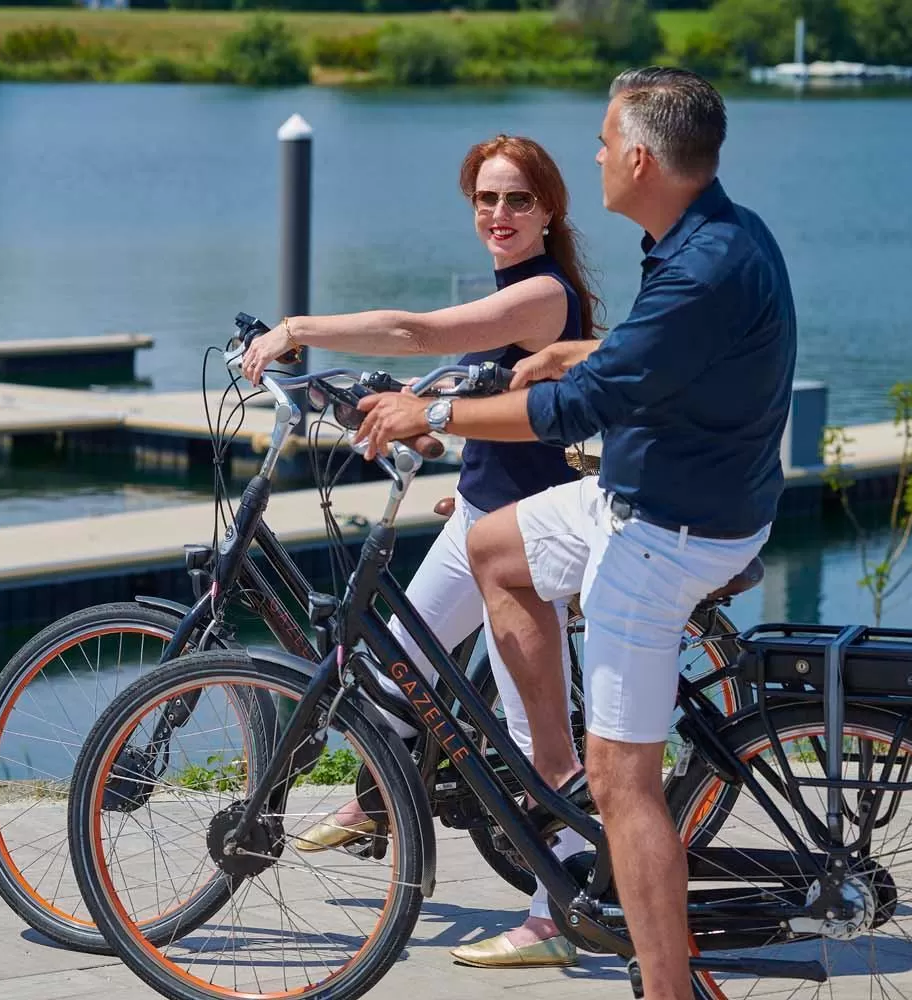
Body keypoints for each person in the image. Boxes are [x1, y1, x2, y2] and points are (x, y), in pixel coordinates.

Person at [353, 68, 798, 1000]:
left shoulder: (705, 263)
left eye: (603, 141)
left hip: (669, 528)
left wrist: (427, 416)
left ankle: (662, 981)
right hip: (660, 493)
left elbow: (577, 410)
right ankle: (553, 774)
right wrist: (579, 349)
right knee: (493, 548)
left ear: (639, 156)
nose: (595, 155)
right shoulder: (714, 235)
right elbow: (655, 356)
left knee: (624, 784)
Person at [242, 134, 599, 969]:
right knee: (394, 674)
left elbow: (420, 330)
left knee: (533, 741)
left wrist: (299, 328)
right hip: (477, 513)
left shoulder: (543, 295)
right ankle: (380, 800)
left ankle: (560, 913)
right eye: (485, 198)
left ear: (550, 209)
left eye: (516, 199)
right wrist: (394, 405)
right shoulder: (516, 290)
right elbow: (464, 383)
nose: (499, 214)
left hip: (522, 535)